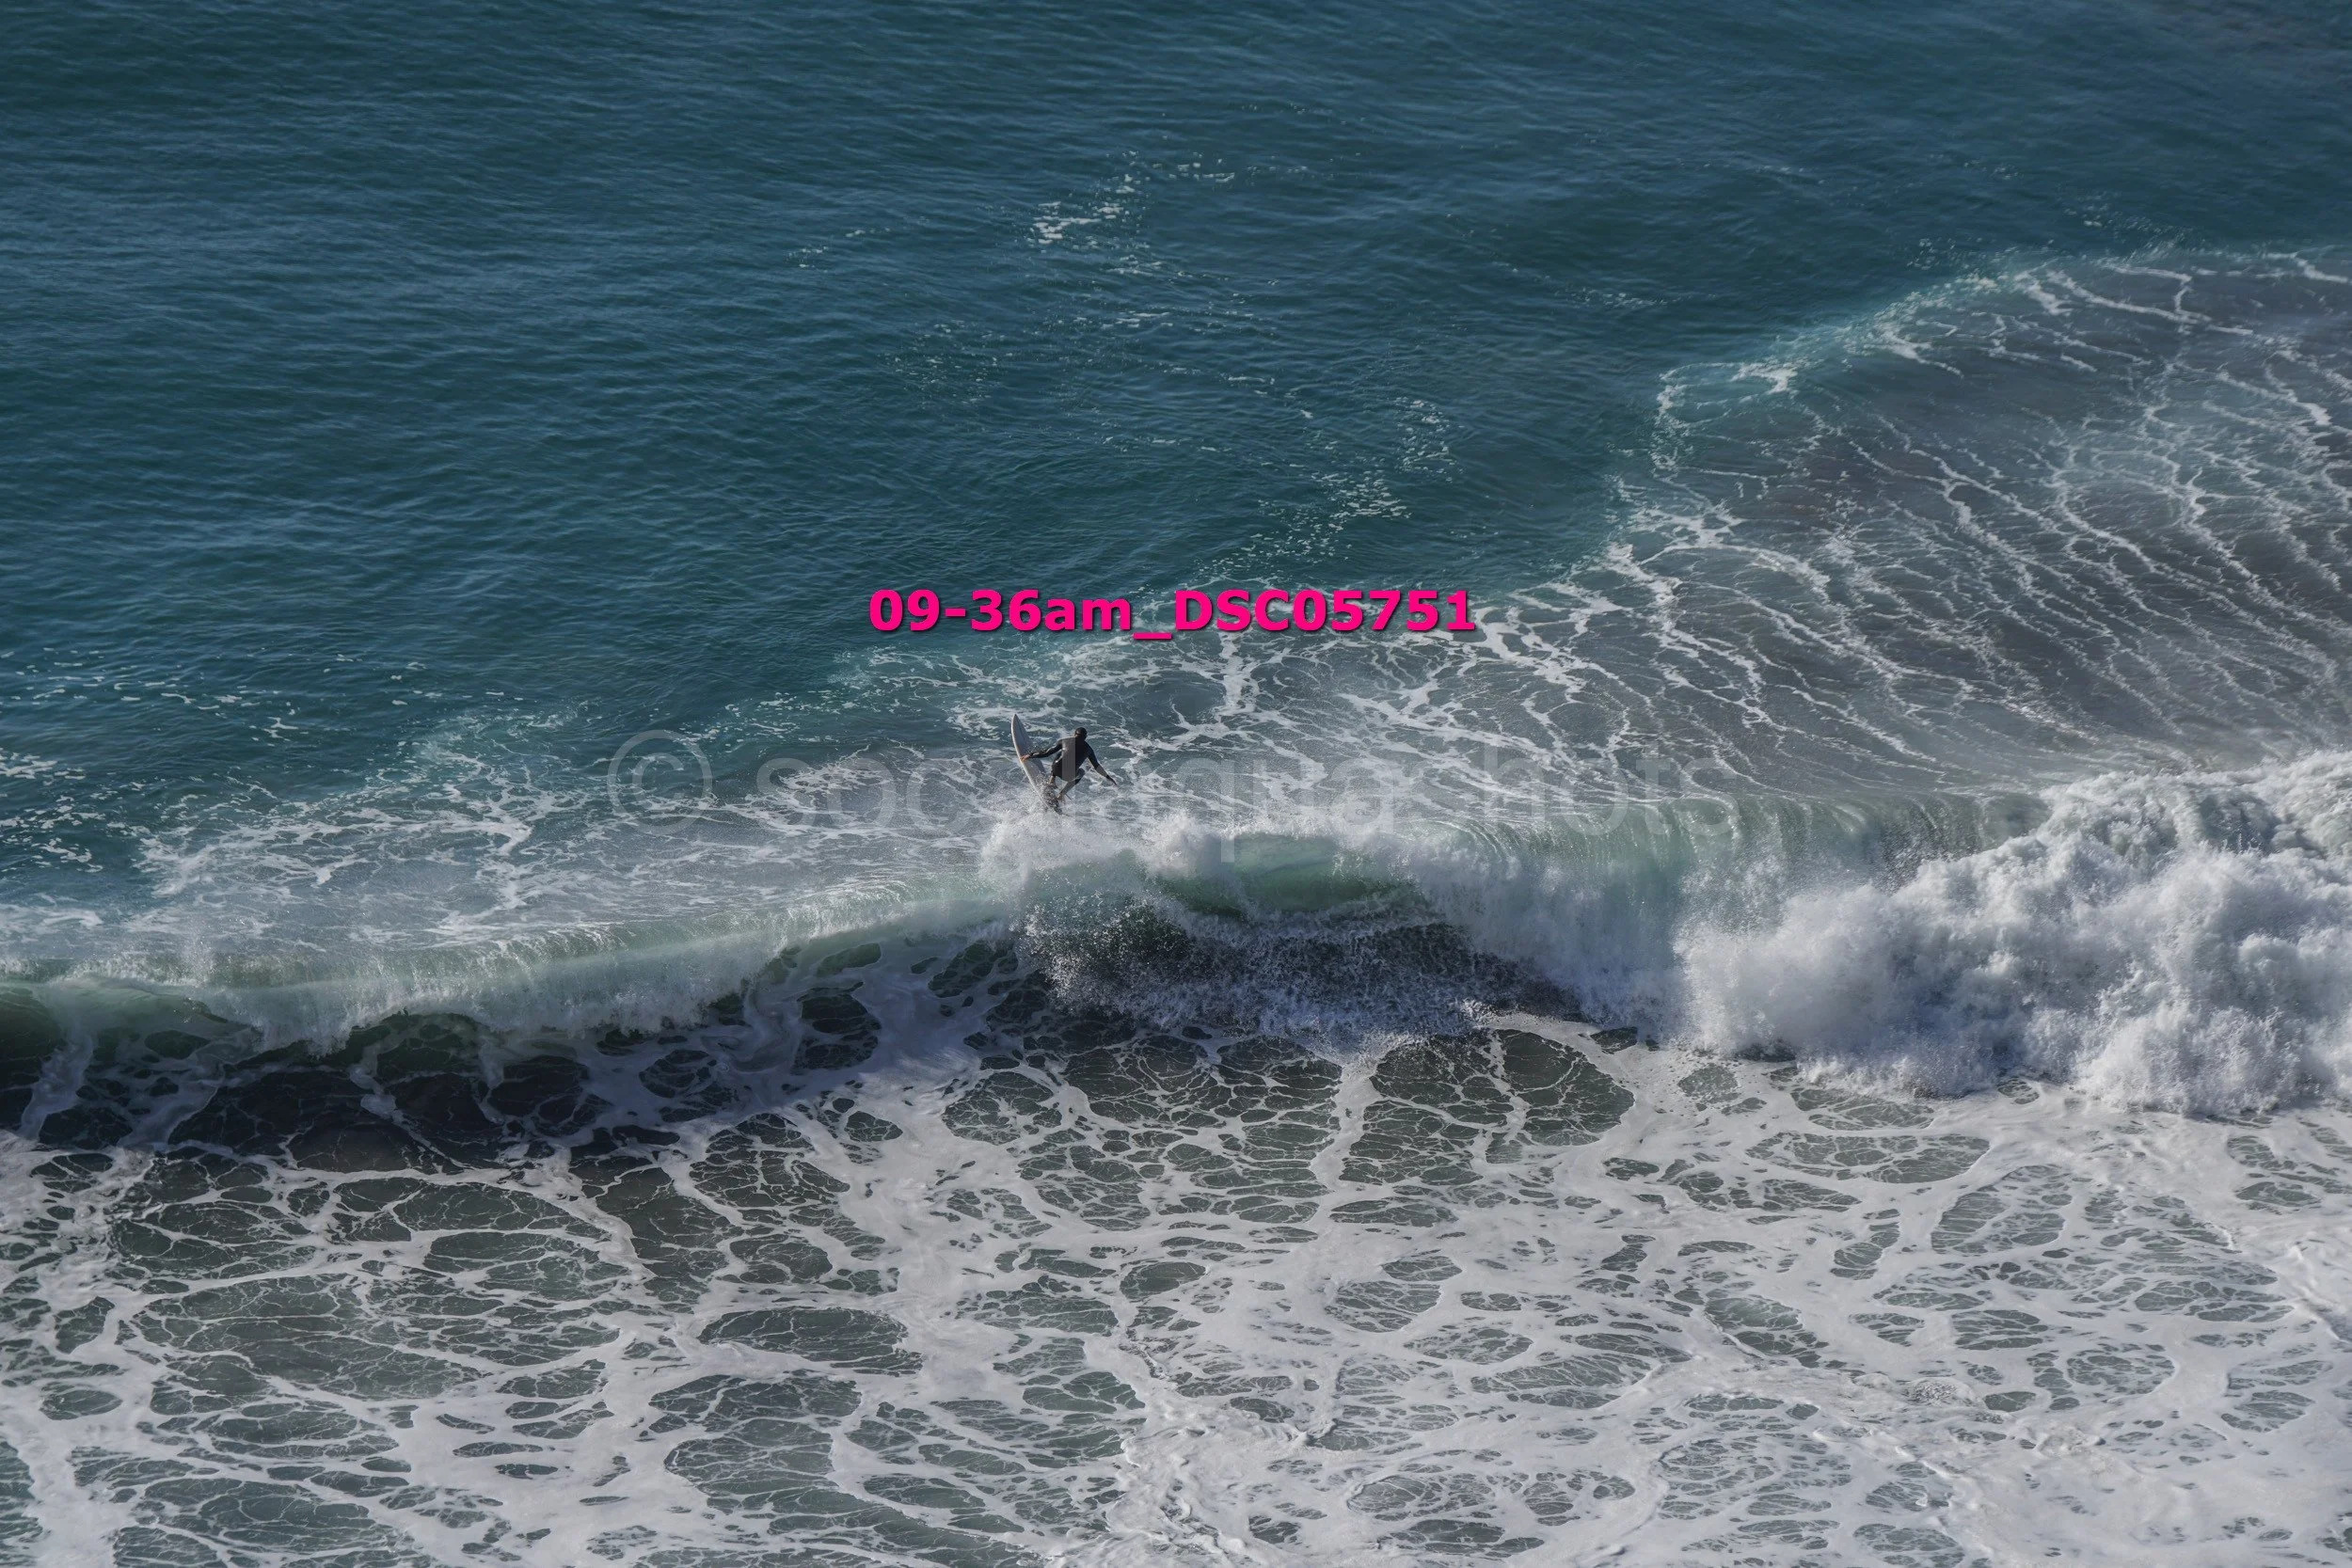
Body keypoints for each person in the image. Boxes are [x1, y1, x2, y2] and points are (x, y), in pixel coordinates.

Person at [1024, 725, 1118, 808]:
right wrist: (1108, 777)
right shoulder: (1089, 749)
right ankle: (1062, 794)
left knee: (1060, 754)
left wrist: (1031, 755)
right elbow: (1097, 766)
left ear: (1074, 734)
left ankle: (1052, 779)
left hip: (1056, 769)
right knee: (1081, 772)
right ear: (1085, 737)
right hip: (1069, 775)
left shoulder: (1064, 741)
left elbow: (1047, 753)